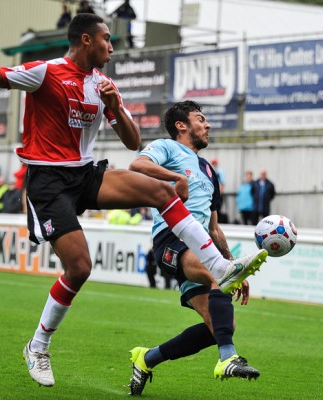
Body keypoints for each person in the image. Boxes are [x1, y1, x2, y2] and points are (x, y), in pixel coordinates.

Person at [0, 13, 267, 389]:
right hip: (49, 182)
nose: (112, 47)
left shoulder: (103, 84)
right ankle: (38, 345)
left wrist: (114, 107)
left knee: (161, 191)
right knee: (80, 268)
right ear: (86, 40)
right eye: (106, 40)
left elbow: (132, 142)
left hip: (84, 174)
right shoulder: (46, 72)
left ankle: (220, 266)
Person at [128, 100, 261, 396]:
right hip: (172, 240)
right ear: (181, 125)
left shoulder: (209, 172)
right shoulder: (168, 147)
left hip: (203, 248)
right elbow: (137, 164)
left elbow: (214, 228)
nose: (208, 124)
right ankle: (228, 358)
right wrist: (176, 177)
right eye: (200, 119)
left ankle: (146, 359)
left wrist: (232, 266)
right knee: (219, 282)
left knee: (221, 326)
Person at [210, 158, 227, 223]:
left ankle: (217, 220)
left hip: (217, 192)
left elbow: (222, 182)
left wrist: (220, 192)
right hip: (213, 191)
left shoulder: (219, 171)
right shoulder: (213, 170)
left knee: (217, 207)